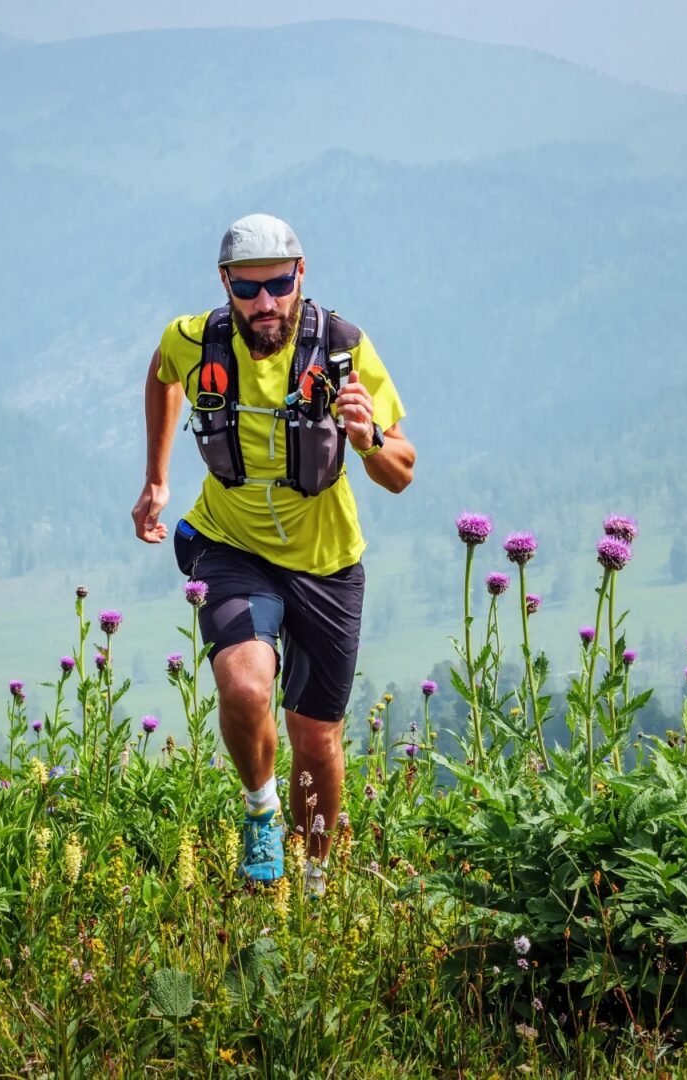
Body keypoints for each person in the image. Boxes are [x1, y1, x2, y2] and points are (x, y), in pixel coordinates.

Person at [133, 213, 415, 893]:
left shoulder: (344, 349)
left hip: (327, 561)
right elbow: (162, 374)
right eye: (249, 289)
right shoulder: (195, 340)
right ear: (226, 285)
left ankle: (314, 882)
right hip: (231, 546)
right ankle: (261, 817)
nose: (266, 304)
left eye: (280, 285)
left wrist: (368, 434)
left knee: (315, 739)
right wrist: (157, 476)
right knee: (246, 684)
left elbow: (402, 470)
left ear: (301, 275)